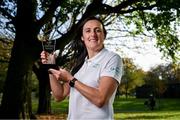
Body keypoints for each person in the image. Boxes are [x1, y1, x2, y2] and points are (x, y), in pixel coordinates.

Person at [40, 16, 123, 120]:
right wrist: (51, 66)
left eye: (97, 30)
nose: (93, 34)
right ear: (82, 37)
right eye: (88, 31)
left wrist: (71, 79)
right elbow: (59, 95)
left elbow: (101, 99)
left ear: (104, 35)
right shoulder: (79, 64)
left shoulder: (112, 58)